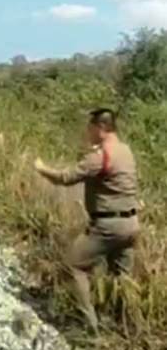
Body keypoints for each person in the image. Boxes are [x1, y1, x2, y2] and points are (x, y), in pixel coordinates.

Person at [33, 108, 141, 334]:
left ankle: (89, 327)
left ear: (101, 128)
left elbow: (66, 178)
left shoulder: (101, 156)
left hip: (108, 227)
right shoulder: (126, 151)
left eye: (90, 128)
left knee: (73, 264)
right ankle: (129, 328)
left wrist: (41, 168)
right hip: (131, 225)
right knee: (122, 278)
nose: (87, 132)